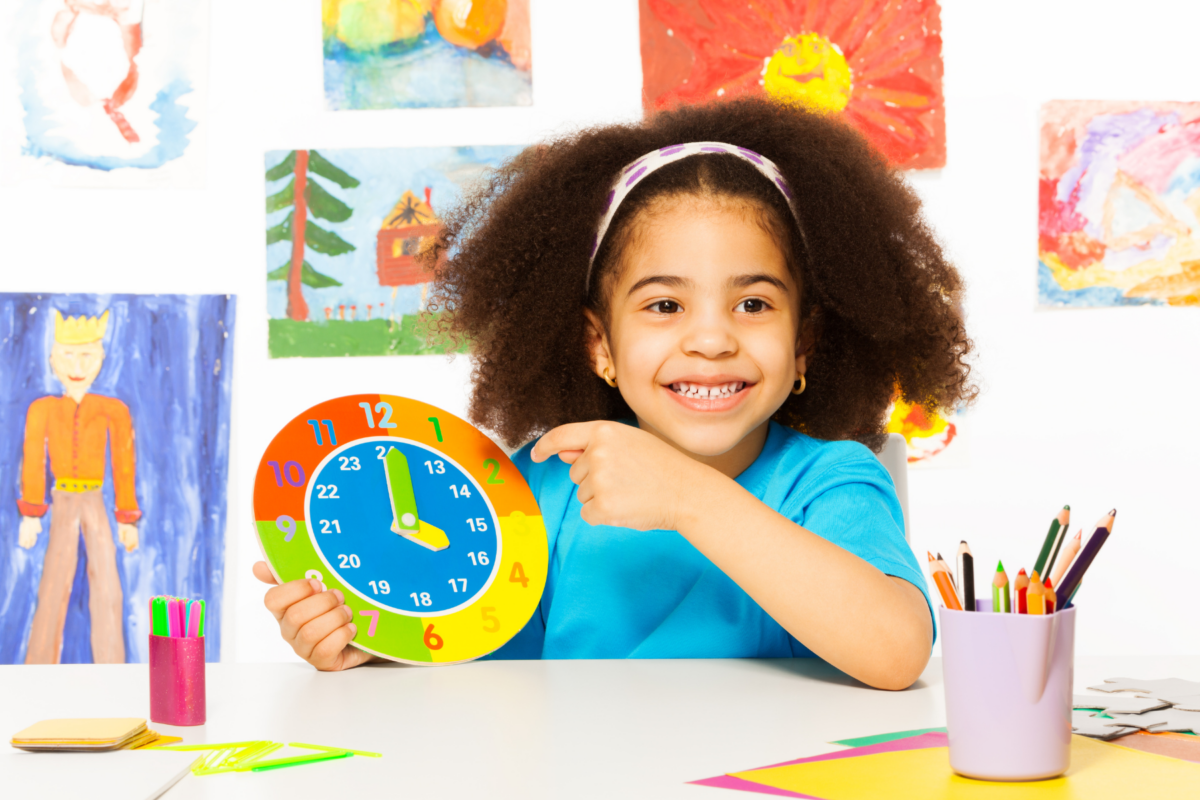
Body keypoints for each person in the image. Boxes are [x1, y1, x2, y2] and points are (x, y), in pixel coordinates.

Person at [254, 97, 975, 689]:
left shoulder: (830, 481)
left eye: (753, 305)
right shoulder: (536, 491)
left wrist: (688, 496)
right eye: (664, 307)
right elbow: (473, 674)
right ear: (599, 345)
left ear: (803, 345)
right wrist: (376, 647)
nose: (712, 339)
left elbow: (896, 652)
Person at [18, 310, 140, 664]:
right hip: (61, 500)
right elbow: (32, 461)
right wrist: (31, 512)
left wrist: (127, 518)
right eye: (68, 355)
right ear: (53, 358)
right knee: (53, 584)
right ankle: (36, 669)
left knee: (107, 586)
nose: (77, 364)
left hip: (95, 501)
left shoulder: (112, 410)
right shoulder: (41, 409)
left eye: (87, 355)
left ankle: (112, 666)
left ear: (100, 358)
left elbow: (123, 463)